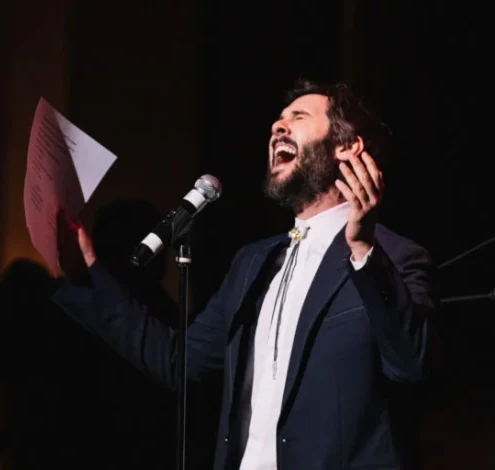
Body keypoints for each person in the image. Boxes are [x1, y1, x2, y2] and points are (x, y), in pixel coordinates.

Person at [52, 79, 436, 469]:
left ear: (348, 147)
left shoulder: (395, 257)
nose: (277, 126)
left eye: (298, 117)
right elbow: (179, 362)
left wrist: (364, 249)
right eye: (279, 118)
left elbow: (410, 364)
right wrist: (90, 271)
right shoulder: (253, 263)